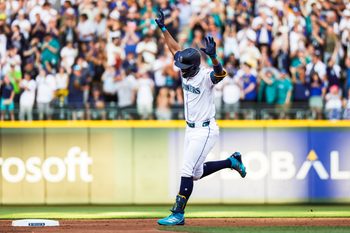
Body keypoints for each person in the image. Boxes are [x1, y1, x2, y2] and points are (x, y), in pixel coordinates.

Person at [155, 10, 246, 226]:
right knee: (195, 174)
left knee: (186, 170)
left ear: (194, 66)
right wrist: (163, 28)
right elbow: (175, 49)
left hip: (205, 130)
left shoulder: (205, 76)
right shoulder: (185, 69)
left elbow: (221, 74)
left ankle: (178, 213)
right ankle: (231, 161)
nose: (181, 70)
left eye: (185, 67)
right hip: (191, 129)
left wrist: (214, 57)